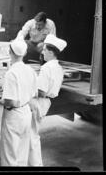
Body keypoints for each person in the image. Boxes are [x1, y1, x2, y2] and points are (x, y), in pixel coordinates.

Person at [0, 40, 38, 166]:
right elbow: (33, 93)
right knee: (22, 154)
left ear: (9, 53)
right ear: (24, 53)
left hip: (14, 116)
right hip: (26, 112)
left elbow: (10, 102)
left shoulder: (11, 73)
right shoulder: (30, 70)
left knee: (9, 155)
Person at [28, 34, 67, 166]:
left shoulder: (47, 68)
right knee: (32, 133)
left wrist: (27, 88)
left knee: (31, 135)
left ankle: (35, 165)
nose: (43, 52)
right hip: (46, 102)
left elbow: (42, 92)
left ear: (51, 52)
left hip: (39, 102)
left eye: (45, 50)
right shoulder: (58, 67)